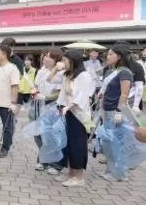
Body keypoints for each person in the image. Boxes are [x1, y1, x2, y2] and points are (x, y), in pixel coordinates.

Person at [56, 49, 95, 187]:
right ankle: (70, 173)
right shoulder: (67, 75)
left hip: (80, 115)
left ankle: (79, 177)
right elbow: (62, 93)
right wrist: (60, 106)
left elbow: (82, 97)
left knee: (78, 145)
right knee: (69, 144)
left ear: (72, 61)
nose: (62, 63)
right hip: (69, 113)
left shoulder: (84, 75)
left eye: (65, 61)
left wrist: (68, 107)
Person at [98, 45, 133, 182]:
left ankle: (120, 173)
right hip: (106, 108)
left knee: (116, 142)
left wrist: (119, 111)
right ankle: (110, 170)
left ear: (119, 56)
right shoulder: (110, 71)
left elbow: (124, 93)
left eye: (111, 54)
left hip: (115, 110)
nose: (108, 56)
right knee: (107, 141)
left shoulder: (124, 72)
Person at [32, 48, 64, 174]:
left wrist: (46, 97)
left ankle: (56, 164)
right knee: (38, 134)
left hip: (54, 106)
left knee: (52, 135)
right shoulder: (42, 71)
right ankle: (43, 159)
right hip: (40, 105)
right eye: (44, 56)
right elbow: (37, 86)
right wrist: (35, 92)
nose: (44, 58)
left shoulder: (61, 73)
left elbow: (59, 92)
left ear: (56, 60)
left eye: (48, 57)